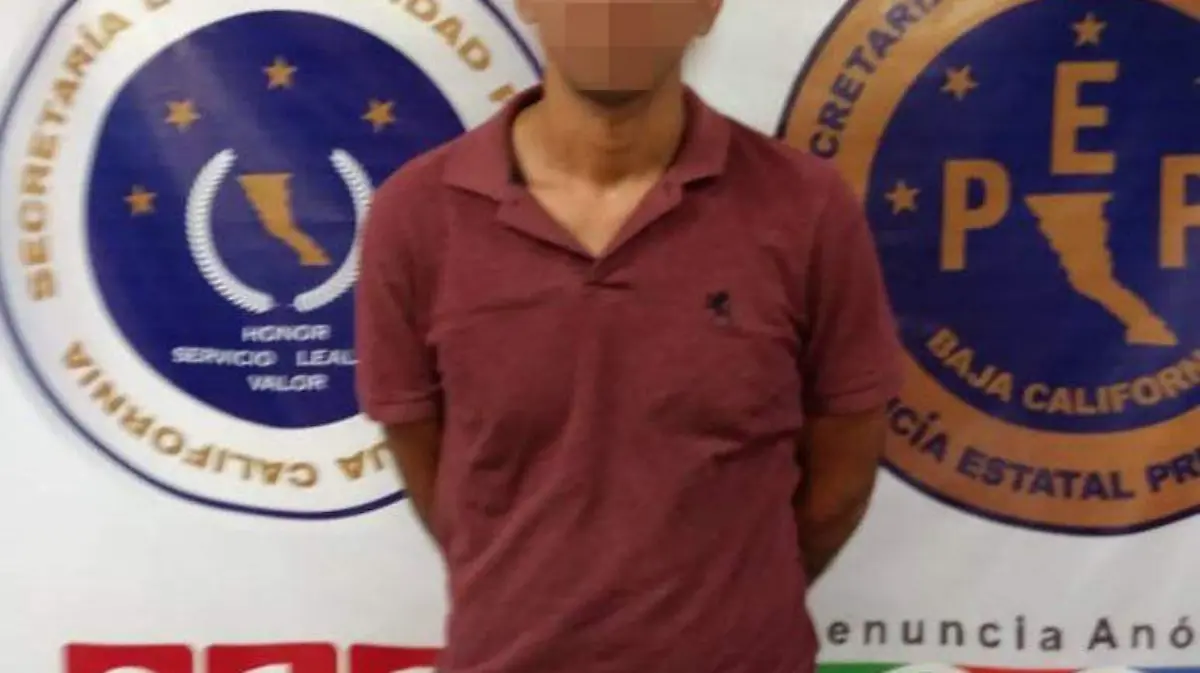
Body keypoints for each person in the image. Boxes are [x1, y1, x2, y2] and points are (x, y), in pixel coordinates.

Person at [354, 0, 903, 670]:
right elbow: (429, 466)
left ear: (706, 10)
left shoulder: (806, 207)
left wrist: (731, 609)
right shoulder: (416, 216)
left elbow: (841, 475)